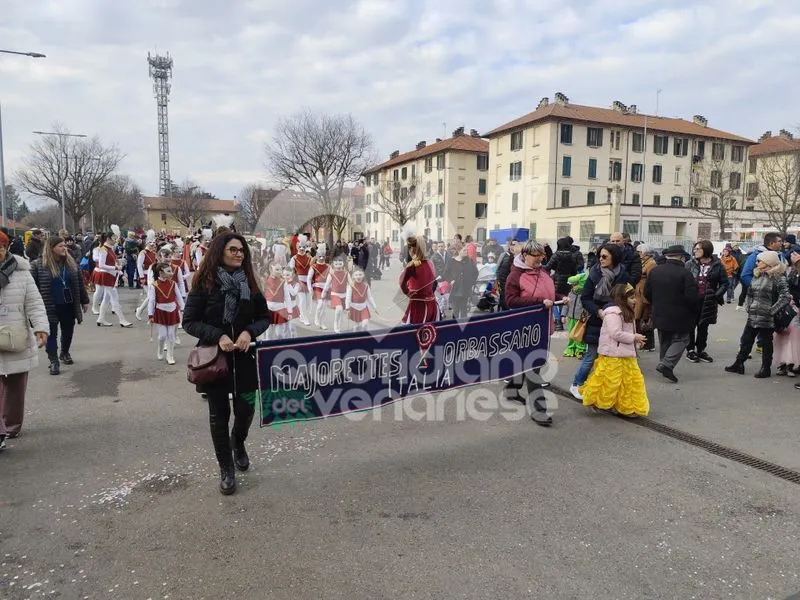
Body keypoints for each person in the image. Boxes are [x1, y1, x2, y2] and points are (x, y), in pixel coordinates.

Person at [182, 232, 270, 495]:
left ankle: (238, 442)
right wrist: (217, 335)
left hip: (244, 357)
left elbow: (265, 317)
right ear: (219, 252)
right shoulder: (204, 284)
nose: (238, 254)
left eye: (242, 250)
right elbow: (189, 321)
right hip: (214, 360)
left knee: (245, 410)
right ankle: (226, 469)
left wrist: (248, 333)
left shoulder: (250, 284)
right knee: (219, 416)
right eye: (233, 249)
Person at [503, 240, 566, 426]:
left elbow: (550, 294)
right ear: (524, 255)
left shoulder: (544, 272)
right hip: (524, 329)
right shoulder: (515, 276)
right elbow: (511, 301)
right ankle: (539, 411)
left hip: (543, 327)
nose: (541, 258)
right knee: (534, 368)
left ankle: (512, 390)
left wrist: (562, 298)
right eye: (536, 255)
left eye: (542, 255)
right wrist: (539, 301)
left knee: (525, 364)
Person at [0, 231, 49, 447]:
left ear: (6, 248)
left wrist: (41, 328)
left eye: (0, 248)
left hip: (15, 335)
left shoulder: (21, 271)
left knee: (16, 385)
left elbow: (34, 302)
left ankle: (11, 425)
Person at [569, 244, 628, 400]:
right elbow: (585, 297)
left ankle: (601, 389)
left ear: (614, 257)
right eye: (599, 256)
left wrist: (615, 311)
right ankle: (577, 384)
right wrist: (599, 311)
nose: (600, 259)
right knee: (592, 355)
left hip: (615, 320)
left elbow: (625, 297)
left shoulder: (623, 274)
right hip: (596, 320)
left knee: (610, 358)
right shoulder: (594, 273)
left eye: (604, 256)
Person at [580, 284, 649, 417]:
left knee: (627, 381)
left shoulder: (625, 311)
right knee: (610, 381)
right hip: (613, 354)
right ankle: (598, 401)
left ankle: (625, 406)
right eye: (632, 297)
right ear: (622, 298)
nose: (634, 300)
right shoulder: (613, 313)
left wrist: (636, 339)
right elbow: (615, 333)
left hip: (625, 353)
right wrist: (634, 337)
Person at [725, 250, 790, 379]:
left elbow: (785, 297)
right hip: (753, 314)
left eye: (760, 260)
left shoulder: (779, 277)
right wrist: (748, 306)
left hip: (768, 318)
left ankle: (765, 369)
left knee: (766, 343)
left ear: (768, 262)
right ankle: (739, 364)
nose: (757, 262)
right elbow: (750, 292)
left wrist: (771, 311)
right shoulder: (757, 275)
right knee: (746, 341)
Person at [30, 236, 90, 375]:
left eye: (64, 245)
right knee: (51, 336)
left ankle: (64, 353)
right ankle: (53, 360)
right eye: (60, 246)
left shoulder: (71, 264)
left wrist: (84, 300)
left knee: (68, 331)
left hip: (68, 305)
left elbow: (79, 283)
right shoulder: (38, 265)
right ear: (51, 248)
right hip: (49, 306)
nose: (65, 248)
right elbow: (31, 288)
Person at [644, 245, 698, 383]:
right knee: (682, 339)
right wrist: (694, 311)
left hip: (659, 312)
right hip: (680, 314)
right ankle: (666, 364)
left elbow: (647, 293)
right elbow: (692, 297)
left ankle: (665, 365)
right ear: (681, 257)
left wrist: (657, 302)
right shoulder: (685, 274)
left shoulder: (655, 271)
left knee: (665, 340)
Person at [684, 240, 728, 363]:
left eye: (698, 249)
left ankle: (701, 350)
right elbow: (683, 281)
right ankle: (690, 350)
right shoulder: (689, 264)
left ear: (707, 250)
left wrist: (716, 295)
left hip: (708, 301)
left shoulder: (718, 265)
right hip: (692, 301)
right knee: (690, 326)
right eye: (695, 248)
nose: (695, 251)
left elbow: (725, 283)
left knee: (703, 326)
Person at [148, 262, 185, 365]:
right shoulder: (154, 284)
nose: (171, 273)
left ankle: (170, 355)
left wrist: (183, 308)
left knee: (171, 335)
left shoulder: (173, 283)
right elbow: (151, 300)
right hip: (160, 311)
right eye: (168, 271)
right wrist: (150, 314)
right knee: (162, 336)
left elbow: (179, 297)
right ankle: (160, 349)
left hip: (172, 310)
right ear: (160, 272)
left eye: (171, 271)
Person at [95, 228, 133, 328]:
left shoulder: (110, 249)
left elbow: (113, 263)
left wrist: (121, 273)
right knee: (114, 298)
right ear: (108, 239)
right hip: (106, 275)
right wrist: (115, 267)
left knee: (107, 299)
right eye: (113, 238)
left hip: (110, 275)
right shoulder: (103, 249)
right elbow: (101, 265)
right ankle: (122, 319)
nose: (115, 240)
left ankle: (101, 318)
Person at [399, 232, 438, 324]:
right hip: (432, 304)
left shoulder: (412, 265)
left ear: (412, 249)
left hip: (418, 306)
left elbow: (401, 281)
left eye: (410, 248)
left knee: (415, 333)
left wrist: (408, 292)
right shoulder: (430, 263)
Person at [543, 237, 578, 331]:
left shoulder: (556, 255)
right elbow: (575, 271)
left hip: (557, 279)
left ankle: (558, 321)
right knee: (564, 299)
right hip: (568, 280)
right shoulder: (572, 256)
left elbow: (547, 267)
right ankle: (563, 318)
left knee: (554, 298)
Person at [443, 246, 479, 319]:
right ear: (459, 251)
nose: (466, 252)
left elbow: (476, 272)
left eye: (466, 251)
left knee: (464, 310)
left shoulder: (469, 261)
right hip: (456, 289)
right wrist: (451, 280)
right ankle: (454, 326)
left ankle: (463, 326)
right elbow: (446, 274)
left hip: (465, 289)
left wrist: (471, 282)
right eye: (464, 250)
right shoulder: (452, 261)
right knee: (455, 309)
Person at [634, 244, 657, 351]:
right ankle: (642, 342)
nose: (638, 253)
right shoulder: (643, 261)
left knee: (645, 319)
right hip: (638, 293)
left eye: (640, 251)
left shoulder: (651, 263)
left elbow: (652, 280)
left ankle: (646, 344)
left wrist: (648, 297)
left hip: (644, 294)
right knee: (639, 318)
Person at [563, 272, 587, 358]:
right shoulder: (570, 293)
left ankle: (580, 349)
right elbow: (566, 305)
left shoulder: (584, 295)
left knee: (579, 334)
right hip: (570, 317)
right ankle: (570, 348)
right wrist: (563, 315)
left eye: (575, 284)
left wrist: (585, 317)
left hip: (579, 318)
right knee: (571, 334)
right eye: (572, 285)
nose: (573, 287)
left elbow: (586, 307)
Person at [346, 267, 378, 331]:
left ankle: (365, 334)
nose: (358, 277)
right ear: (353, 276)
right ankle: (355, 337)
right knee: (356, 325)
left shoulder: (366, 285)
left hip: (363, 307)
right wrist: (347, 309)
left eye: (360, 275)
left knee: (365, 323)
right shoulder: (351, 286)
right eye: (356, 275)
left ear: (363, 275)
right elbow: (348, 298)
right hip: (354, 307)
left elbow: (370, 297)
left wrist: (374, 307)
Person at [496, 238, 518, 310]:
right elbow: (497, 269)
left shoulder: (519, 257)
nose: (514, 246)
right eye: (512, 244)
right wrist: (498, 283)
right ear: (510, 246)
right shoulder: (504, 255)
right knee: (503, 302)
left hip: (513, 285)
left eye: (516, 245)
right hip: (502, 283)